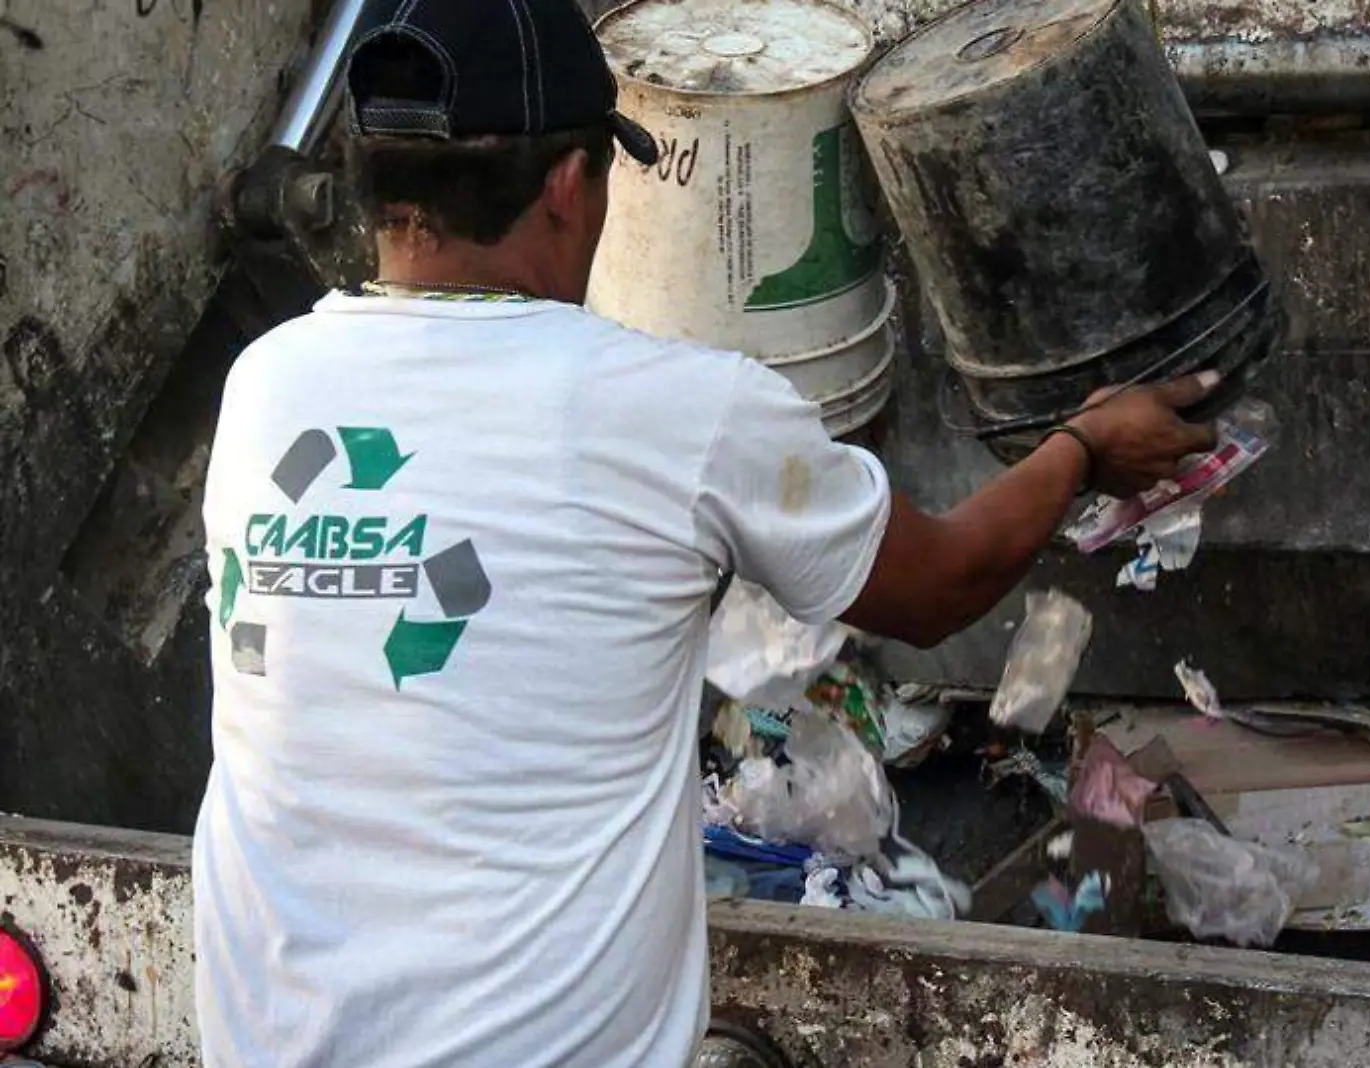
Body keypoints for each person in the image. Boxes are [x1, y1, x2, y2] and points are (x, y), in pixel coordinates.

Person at [191, 0, 1219, 1065]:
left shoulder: (267, 386)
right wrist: (1083, 449)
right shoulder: (674, 409)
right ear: (567, 189)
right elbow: (939, 585)